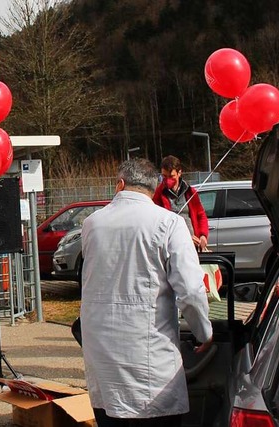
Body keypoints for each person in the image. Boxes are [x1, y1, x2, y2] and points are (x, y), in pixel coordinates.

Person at [80, 159, 213, 427]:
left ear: (119, 184)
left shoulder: (91, 224)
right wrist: (204, 332)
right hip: (149, 355)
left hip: (101, 350)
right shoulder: (169, 223)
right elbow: (190, 289)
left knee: (109, 412)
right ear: (154, 190)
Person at [152, 155, 209, 251]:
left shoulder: (190, 192)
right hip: (171, 246)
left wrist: (203, 235)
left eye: (171, 176)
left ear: (179, 173)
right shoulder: (158, 195)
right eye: (164, 176)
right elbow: (156, 223)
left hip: (193, 246)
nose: (167, 180)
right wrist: (184, 238)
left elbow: (201, 215)